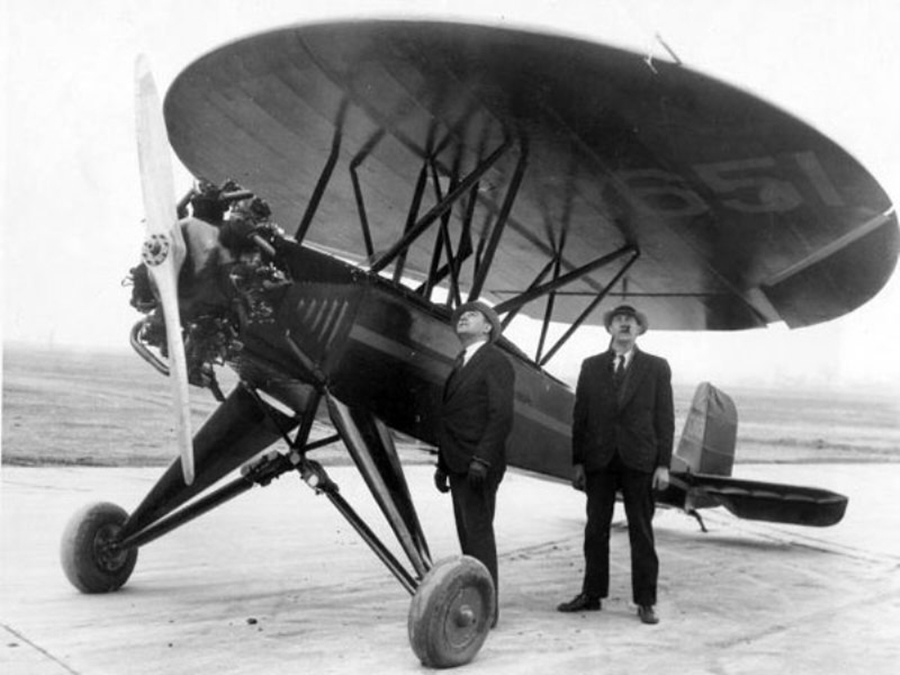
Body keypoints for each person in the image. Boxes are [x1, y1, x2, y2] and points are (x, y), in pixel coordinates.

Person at [557, 304, 674, 624]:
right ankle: (592, 594)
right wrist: (577, 461)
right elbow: (580, 417)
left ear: (640, 330)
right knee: (595, 530)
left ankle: (646, 601)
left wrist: (663, 464)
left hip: (640, 461)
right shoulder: (591, 366)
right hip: (599, 460)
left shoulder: (657, 367)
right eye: (618, 320)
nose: (625, 324)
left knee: (641, 531)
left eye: (631, 321)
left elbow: (665, 418)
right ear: (609, 329)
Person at [434, 301, 515, 627]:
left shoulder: (495, 360)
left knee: (478, 536)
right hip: (458, 463)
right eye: (461, 315)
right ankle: (478, 599)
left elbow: (501, 415)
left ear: (488, 328)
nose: (463, 317)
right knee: (468, 538)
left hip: (477, 463)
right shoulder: (462, 362)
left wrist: (482, 458)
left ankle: (488, 609)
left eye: (473, 314)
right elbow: (451, 417)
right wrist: (442, 464)